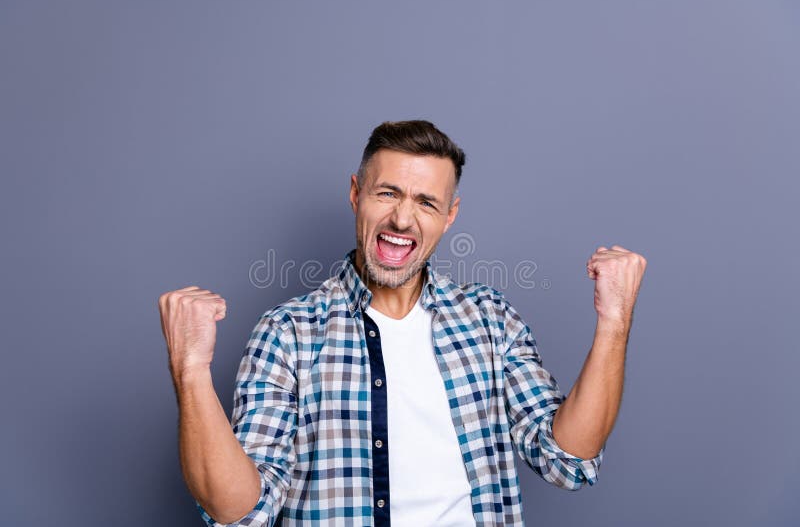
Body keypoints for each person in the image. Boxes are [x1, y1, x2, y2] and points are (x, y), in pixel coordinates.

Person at [158, 120, 647, 527]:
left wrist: (614, 321)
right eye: (387, 192)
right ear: (356, 193)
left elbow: (567, 459)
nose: (402, 219)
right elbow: (239, 510)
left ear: (450, 215)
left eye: (426, 202)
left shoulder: (490, 320)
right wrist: (191, 370)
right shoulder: (288, 333)